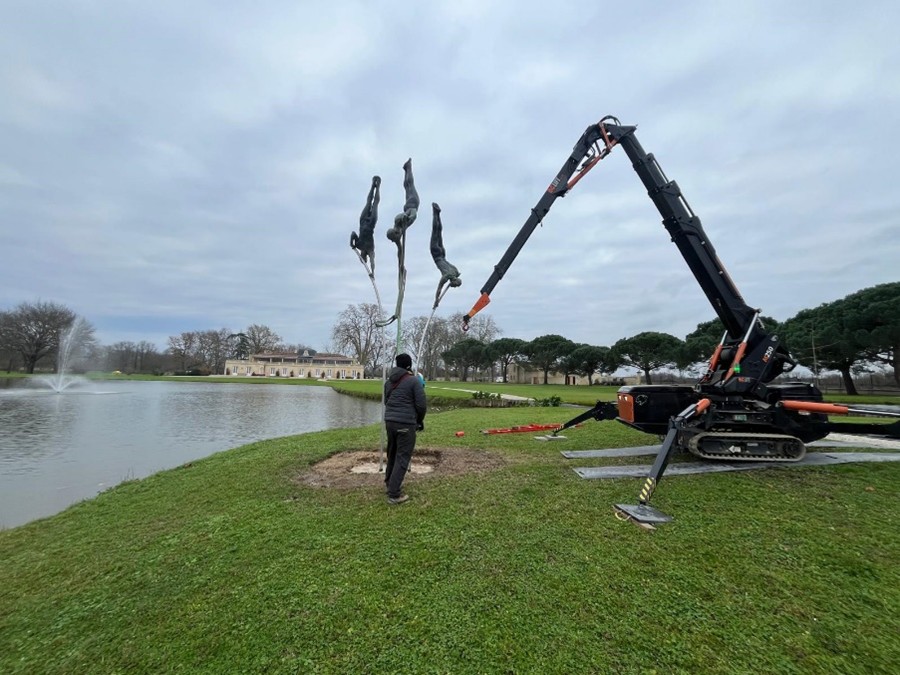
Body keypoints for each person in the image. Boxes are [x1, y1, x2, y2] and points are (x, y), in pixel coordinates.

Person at [383, 352, 426, 504]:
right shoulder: (414, 381)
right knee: (402, 456)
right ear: (409, 365)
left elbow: (387, 401)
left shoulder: (388, 382)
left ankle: (390, 483)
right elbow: (421, 405)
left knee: (392, 453)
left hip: (390, 422)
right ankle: (394, 494)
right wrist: (419, 421)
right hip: (406, 423)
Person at [429, 202, 462, 305]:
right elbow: (439, 288)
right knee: (435, 231)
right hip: (436, 254)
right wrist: (436, 300)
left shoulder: (455, 271)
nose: (454, 287)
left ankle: (438, 215)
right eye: (455, 286)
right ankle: (435, 213)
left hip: (443, 254)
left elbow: (456, 274)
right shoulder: (446, 276)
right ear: (454, 282)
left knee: (439, 232)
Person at [350, 175, 381, 272]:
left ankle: (373, 185)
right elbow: (372, 261)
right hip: (371, 223)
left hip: (363, 221)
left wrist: (351, 243)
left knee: (368, 203)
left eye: (362, 258)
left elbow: (353, 234)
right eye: (364, 258)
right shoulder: (370, 249)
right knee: (375, 204)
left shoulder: (358, 245)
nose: (363, 257)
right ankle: (378, 186)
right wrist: (372, 272)